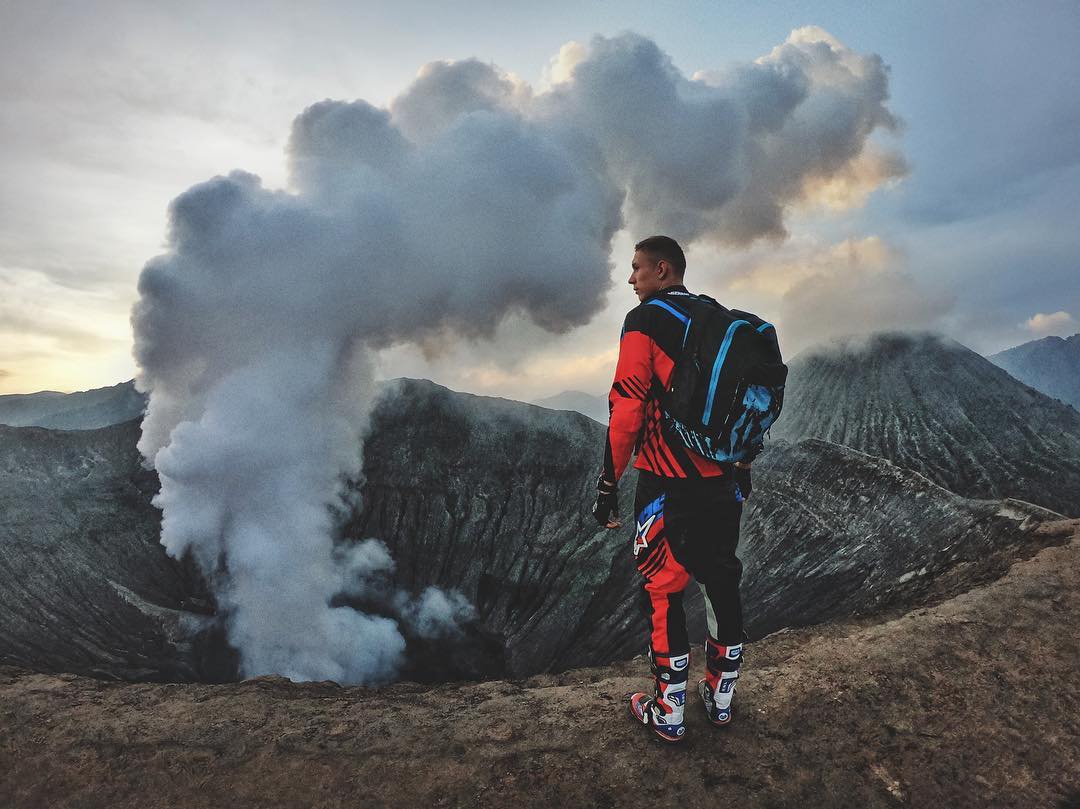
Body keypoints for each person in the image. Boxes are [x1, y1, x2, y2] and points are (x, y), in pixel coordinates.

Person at [592, 235, 751, 743]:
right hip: (722, 482)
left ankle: (668, 709)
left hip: (668, 484)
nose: (630, 278)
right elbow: (746, 400)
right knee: (720, 581)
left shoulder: (644, 322)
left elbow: (628, 408)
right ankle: (721, 700)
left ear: (663, 269)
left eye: (636, 268)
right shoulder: (719, 318)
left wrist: (608, 481)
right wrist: (740, 463)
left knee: (663, 589)